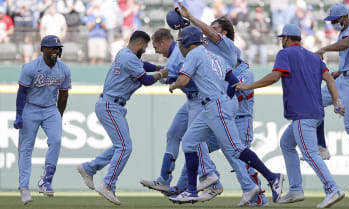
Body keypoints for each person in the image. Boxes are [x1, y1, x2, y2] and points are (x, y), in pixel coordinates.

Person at [168, 26, 284, 205]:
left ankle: (272, 177)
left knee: (235, 149)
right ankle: (191, 190)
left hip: (215, 105)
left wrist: (173, 86)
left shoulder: (194, 54)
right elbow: (233, 81)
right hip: (212, 106)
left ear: (186, 42)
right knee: (189, 142)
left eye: (181, 42)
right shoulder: (214, 56)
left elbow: (183, 80)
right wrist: (227, 100)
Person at [234, 24, 345, 208]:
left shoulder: (285, 54)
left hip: (303, 115)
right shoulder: (314, 57)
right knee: (286, 144)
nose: (281, 41)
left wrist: (248, 86)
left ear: (286, 38)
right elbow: (330, 79)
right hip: (315, 114)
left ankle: (332, 188)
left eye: (281, 38)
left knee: (310, 154)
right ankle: (296, 189)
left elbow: (274, 77)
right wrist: (337, 101)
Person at [76, 30, 168, 206]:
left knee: (121, 146)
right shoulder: (128, 58)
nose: (146, 49)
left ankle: (89, 168)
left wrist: (158, 68)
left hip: (112, 105)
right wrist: (163, 73)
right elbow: (147, 80)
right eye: (145, 46)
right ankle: (108, 184)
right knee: (125, 147)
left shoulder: (124, 53)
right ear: (140, 44)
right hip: (111, 105)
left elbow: (144, 66)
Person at [140, 28, 222, 202]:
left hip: (201, 99)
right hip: (191, 100)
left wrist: (167, 79)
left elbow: (183, 77)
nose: (156, 51)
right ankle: (164, 179)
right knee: (173, 134)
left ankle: (209, 175)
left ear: (164, 42)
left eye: (156, 46)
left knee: (193, 140)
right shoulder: (177, 55)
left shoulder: (180, 52)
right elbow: (169, 71)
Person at [315, 4, 349, 190]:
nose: (334, 23)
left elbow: (347, 43)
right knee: (314, 101)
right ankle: (321, 146)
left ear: (346, 16)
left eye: (336, 19)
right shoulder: (343, 32)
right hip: (344, 77)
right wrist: (339, 71)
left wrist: (324, 48)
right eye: (332, 21)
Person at [14, 35, 70, 205]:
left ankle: (45, 181)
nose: (55, 51)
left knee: (57, 140)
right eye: (51, 48)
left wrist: (58, 117)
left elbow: (64, 94)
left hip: (50, 109)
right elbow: (22, 92)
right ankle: (24, 187)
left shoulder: (64, 69)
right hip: (31, 107)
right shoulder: (30, 67)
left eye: (57, 48)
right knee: (25, 148)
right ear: (42, 49)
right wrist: (19, 114)